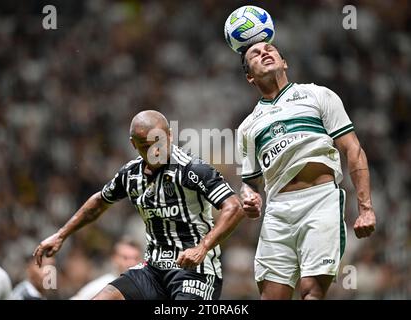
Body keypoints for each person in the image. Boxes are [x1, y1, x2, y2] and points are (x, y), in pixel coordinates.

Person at [34, 110, 244, 300]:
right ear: (133, 144)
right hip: (152, 271)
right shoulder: (130, 174)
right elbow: (99, 201)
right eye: (146, 146)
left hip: (194, 272)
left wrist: (203, 247)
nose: (154, 151)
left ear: (170, 135)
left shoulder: (192, 169)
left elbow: (234, 207)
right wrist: (61, 235)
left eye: (159, 142)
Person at [237, 42, 376, 300]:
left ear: (284, 62)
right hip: (278, 211)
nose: (265, 53)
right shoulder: (247, 127)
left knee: (311, 293)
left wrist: (365, 208)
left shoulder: (318, 95)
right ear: (249, 77)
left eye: (270, 49)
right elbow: (249, 182)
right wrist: (248, 198)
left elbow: (353, 150)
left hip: (320, 201)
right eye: (255, 54)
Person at [70, 238, 143, 299]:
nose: (131, 263)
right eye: (125, 258)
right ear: (114, 258)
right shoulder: (102, 285)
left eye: (136, 258)